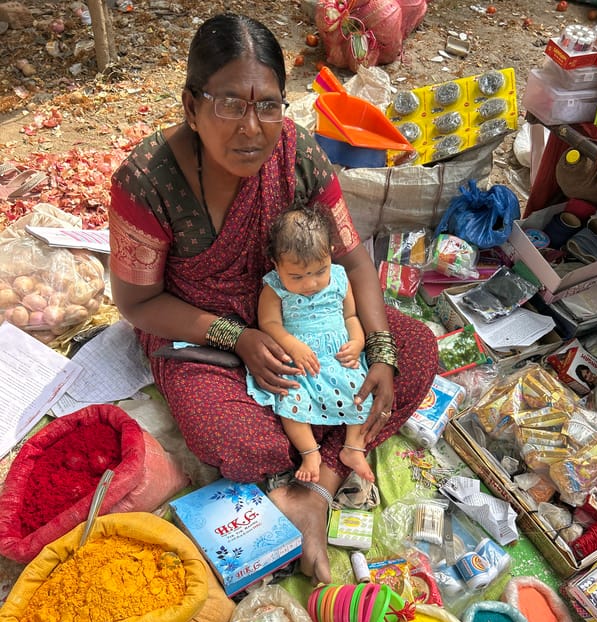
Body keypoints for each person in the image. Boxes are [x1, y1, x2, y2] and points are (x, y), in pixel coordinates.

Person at [108, 12, 438, 585]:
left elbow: (353, 258)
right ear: (191, 106)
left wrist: (378, 349)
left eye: (268, 105)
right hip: (201, 329)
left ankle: (315, 485)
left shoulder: (296, 151)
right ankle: (328, 456)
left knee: (415, 353)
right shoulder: (146, 181)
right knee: (235, 441)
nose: (251, 128)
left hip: (304, 319)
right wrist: (238, 335)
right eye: (230, 103)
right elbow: (138, 304)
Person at [247, 205, 375, 484]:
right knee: (290, 401)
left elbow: (351, 315)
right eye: (297, 276)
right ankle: (310, 452)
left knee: (361, 391)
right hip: (299, 362)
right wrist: (292, 346)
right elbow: (269, 324)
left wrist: (358, 341)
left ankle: (353, 447)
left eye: (319, 271)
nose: (311, 283)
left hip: (339, 357)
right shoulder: (274, 288)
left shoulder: (340, 278)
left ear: (330, 252)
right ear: (276, 264)